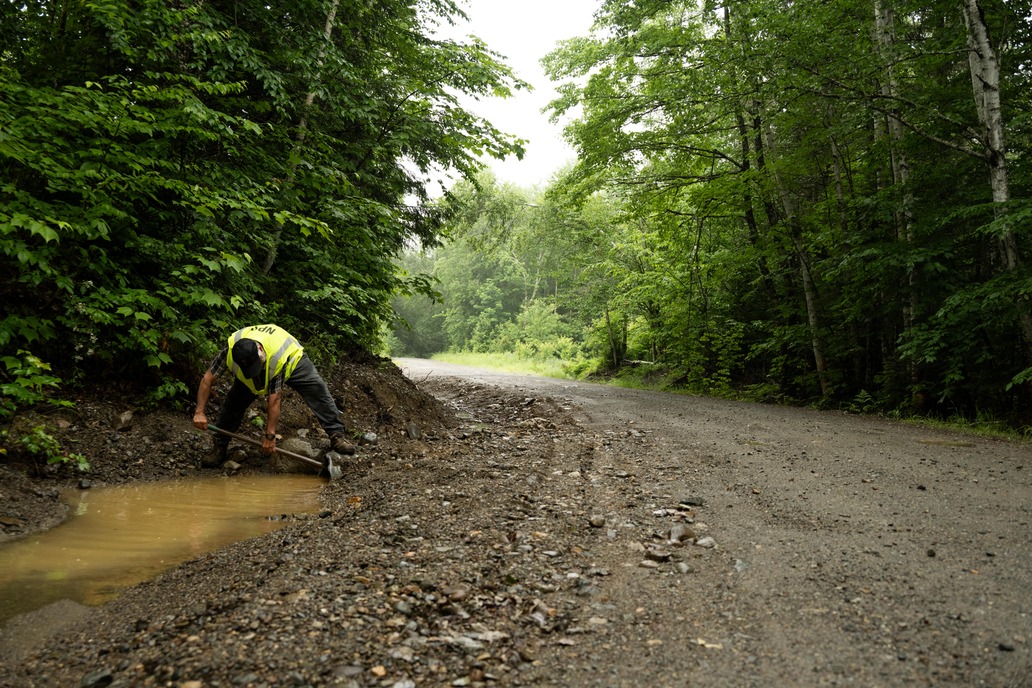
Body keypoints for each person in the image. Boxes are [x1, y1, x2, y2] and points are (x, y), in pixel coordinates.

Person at [193, 324, 355, 467]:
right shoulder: (230, 352)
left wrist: (270, 436)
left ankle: (337, 435)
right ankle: (220, 446)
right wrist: (199, 412)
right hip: (254, 368)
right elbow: (207, 379)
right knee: (233, 403)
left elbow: (274, 398)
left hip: (292, 361)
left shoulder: (278, 357)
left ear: (260, 350)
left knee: (317, 390)